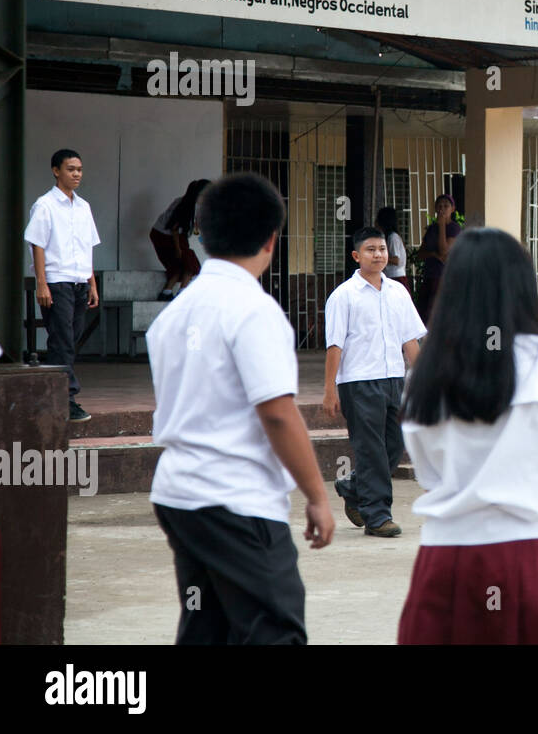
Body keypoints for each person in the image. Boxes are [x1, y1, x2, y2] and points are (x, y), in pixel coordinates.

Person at [147, 173, 335, 644]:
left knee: (208, 629)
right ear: (272, 239)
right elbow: (277, 412)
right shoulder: (253, 310)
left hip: (179, 493)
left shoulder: (173, 314)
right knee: (275, 631)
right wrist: (316, 495)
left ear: (201, 234)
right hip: (235, 497)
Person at [397, 228, 538, 644]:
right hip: (536, 555)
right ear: (522, 285)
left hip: (447, 558)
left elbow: (428, 471)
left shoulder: (425, 374)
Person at [323, 226, 426, 537]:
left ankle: (353, 485)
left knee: (395, 444)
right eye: (371, 249)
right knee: (370, 449)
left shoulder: (398, 293)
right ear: (356, 256)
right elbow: (335, 345)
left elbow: (409, 341)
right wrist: (330, 389)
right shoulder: (344, 296)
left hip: (395, 379)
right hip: (358, 383)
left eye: (382, 249)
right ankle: (377, 515)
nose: (378, 254)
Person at [24, 149, 101, 423]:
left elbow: (87, 248)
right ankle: (65, 400)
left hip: (80, 282)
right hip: (57, 282)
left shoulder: (84, 207)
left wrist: (92, 283)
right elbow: (37, 244)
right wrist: (41, 284)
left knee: (69, 340)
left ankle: (49, 395)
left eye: (79, 169)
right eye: (71, 169)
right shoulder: (45, 205)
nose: (77, 174)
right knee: (62, 341)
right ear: (56, 171)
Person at [150, 179, 211, 300]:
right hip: (167, 236)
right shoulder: (186, 204)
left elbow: (197, 229)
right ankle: (182, 294)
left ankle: (166, 292)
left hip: (167, 235)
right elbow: (175, 229)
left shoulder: (195, 205)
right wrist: (178, 249)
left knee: (179, 267)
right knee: (190, 264)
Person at [415, 194, 461, 322]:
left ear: (452, 209)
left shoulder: (454, 228)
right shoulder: (431, 229)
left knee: (438, 314)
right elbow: (420, 254)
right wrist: (432, 254)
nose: (442, 209)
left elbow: (444, 251)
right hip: (429, 275)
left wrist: (441, 226)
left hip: (444, 277)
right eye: (439, 206)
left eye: (446, 206)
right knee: (424, 314)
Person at [375, 206, 411, 294]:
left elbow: (396, 260)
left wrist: (378, 258)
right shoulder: (389, 237)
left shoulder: (392, 237)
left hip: (396, 277)